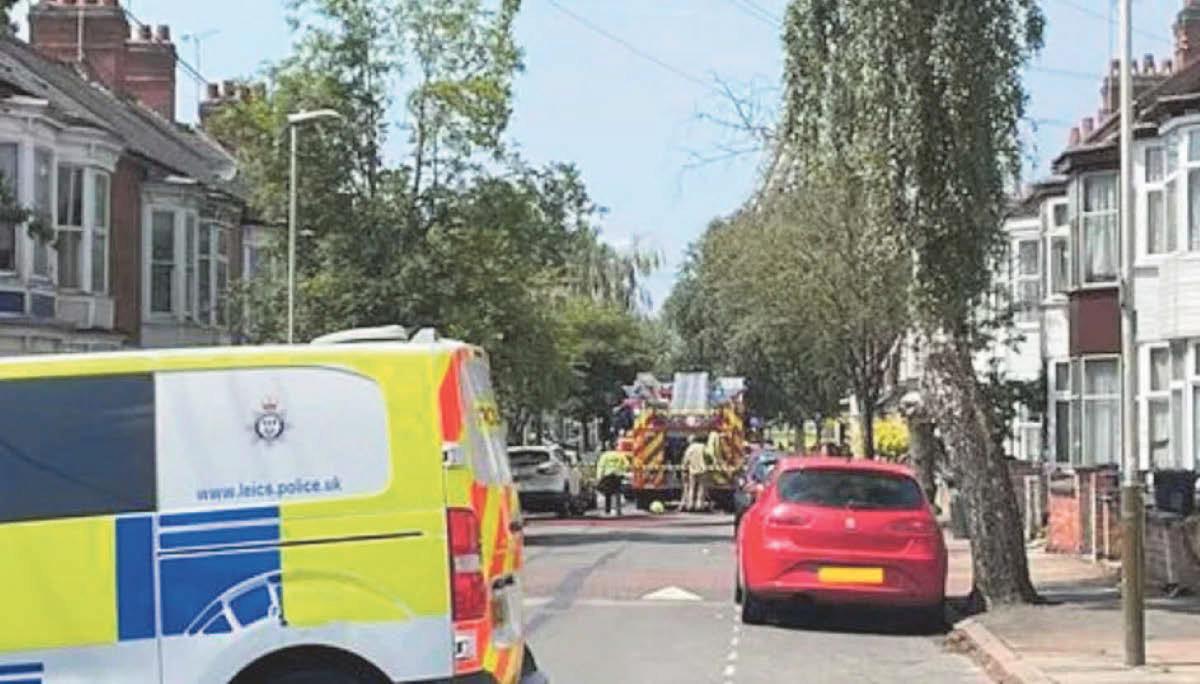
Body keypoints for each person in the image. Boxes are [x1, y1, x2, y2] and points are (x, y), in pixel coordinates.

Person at [595, 442, 631, 516]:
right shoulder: (620, 455)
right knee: (617, 493)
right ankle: (618, 510)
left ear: (608, 447)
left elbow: (601, 466)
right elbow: (627, 465)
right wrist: (622, 471)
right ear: (615, 447)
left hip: (607, 476)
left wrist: (599, 477)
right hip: (617, 475)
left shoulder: (604, 456)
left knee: (608, 494)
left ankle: (607, 511)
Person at [682, 434, 709, 512]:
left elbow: (686, 459)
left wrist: (684, 469)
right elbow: (708, 455)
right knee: (701, 488)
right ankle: (699, 506)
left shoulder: (689, 449)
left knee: (692, 488)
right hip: (702, 470)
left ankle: (690, 505)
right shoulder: (703, 446)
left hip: (692, 470)